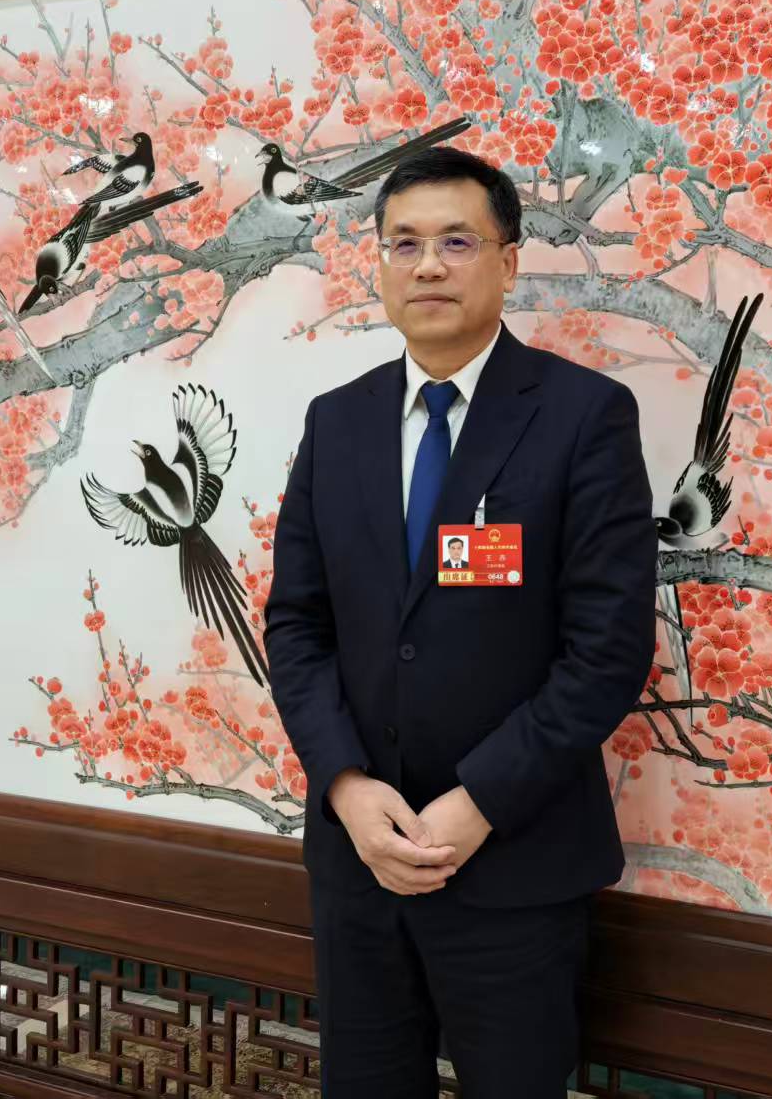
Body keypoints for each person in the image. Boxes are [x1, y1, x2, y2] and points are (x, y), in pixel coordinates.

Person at [265, 145, 657, 1097]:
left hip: (515, 868)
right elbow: (297, 625)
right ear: (380, 265)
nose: (428, 265)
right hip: (360, 864)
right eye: (403, 244)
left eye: (456, 241)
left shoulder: (584, 416)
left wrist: (477, 802)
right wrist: (345, 785)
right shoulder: (336, 421)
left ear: (508, 261)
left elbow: (607, 652)